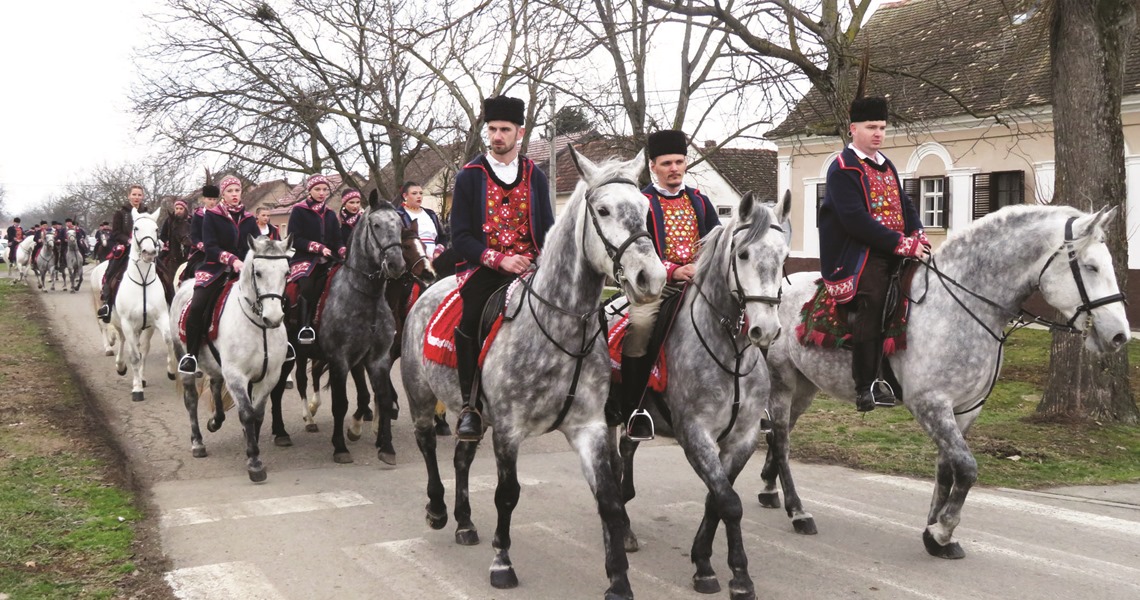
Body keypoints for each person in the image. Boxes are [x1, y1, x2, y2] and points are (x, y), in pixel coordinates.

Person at [449, 95, 554, 441]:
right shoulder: (469, 176)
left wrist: (538, 261)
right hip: (485, 268)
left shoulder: (535, 176)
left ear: (519, 133)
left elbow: (548, 229)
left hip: (531, 267)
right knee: (471, 319)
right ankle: (470, 405)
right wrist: (499, 259)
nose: (496, 135)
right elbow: (460, 236)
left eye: (504, 129)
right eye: (491, 129)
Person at [819, 95, 930, 412]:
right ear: (853, 129)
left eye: (882, 127)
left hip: (892, 248)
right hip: (856, 255)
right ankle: (866, 384)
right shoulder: (842, 168)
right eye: (871, 127)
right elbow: (855, 220)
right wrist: (901, 243)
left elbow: (904, 204)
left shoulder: (887, 164)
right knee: (874, 299)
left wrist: (917, 232)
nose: (878, 133)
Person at [618, 129, 721, 440]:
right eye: (666, 163)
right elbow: (633, 251)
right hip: (655, 287)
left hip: (701, 283)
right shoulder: (641, 202)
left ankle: (754, 403)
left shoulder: (700, 201)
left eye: (679, 161)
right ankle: (634, 409)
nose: (674, 168)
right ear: (653, 166)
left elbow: (717, 240)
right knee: (639, 328)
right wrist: (673, 270)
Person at [178, 176, 259, 374]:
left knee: (273, 296)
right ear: (223, 193)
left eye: (237, 191)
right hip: (216, 268)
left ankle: (281, 345)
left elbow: (258, 242)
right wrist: (232, 260)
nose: (234, 194)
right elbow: (211, 247)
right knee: (197, 304)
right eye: (230, 191)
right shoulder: (212, 215)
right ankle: (192, 354)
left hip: (245, 270)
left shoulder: (248, 218)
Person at [287, 174, 345, 344]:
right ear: (309, 190)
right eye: (317, 189)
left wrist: (342, 250)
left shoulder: (330, 214)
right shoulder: (299, 210)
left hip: (328, 260)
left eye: (325, 190)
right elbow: (294, 238)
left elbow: (337, 239)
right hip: (304, 259)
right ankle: (305, 327)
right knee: (307, 287)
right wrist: (317, 247)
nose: (322, 193)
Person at [98, 185, 148, 322]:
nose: (137, 197)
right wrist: (128, 240)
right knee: (111, 271)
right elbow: (116, 233)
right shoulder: (120, 213)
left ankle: (168, 300)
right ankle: (107, 304)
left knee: (161, 270)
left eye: (139, 195)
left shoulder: (146, 212)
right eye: (134, 194)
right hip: (126, 248)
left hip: (143, 248)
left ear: (142, 197)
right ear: (129, 196)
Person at [395, 181, 448, 259]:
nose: (419, 196)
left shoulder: (431, 214)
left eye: (421, 193)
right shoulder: (398, 215)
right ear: (405, 196)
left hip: (437, 262)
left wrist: (438, 252)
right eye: (414, 193)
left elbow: (442, 237)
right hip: (414, 262)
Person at [181, 181, 221, 283]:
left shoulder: (221, 215)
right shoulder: (198, 216)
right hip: (200, 253)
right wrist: (203, 246)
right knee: (192, 269)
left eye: (214, 199)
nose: (212, 202)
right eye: (209, 199)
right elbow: (194, 236)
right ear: (204, 199)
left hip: (218, 252)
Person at [159, 201, 193, 274]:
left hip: (188, 245)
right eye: (177, 208)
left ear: (185, 209)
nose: (178, 211)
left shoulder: (191, 219)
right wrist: (167, 242)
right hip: (171, 246)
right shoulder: (168, 220)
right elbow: (162, 235)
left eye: (181, 209)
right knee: (159, 260)